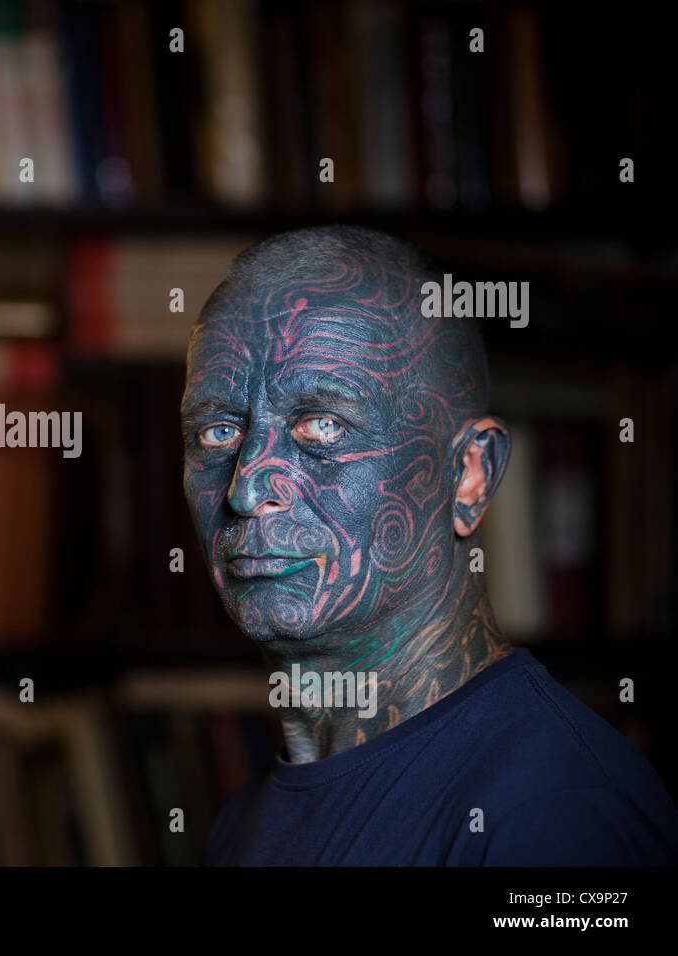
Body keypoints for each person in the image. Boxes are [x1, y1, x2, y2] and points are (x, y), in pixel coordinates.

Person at [182, 225, 678, 865]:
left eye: (323, 425)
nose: (247, 488)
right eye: (218, 432)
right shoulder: (243, 825)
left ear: (470, 474)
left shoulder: (557, 814)